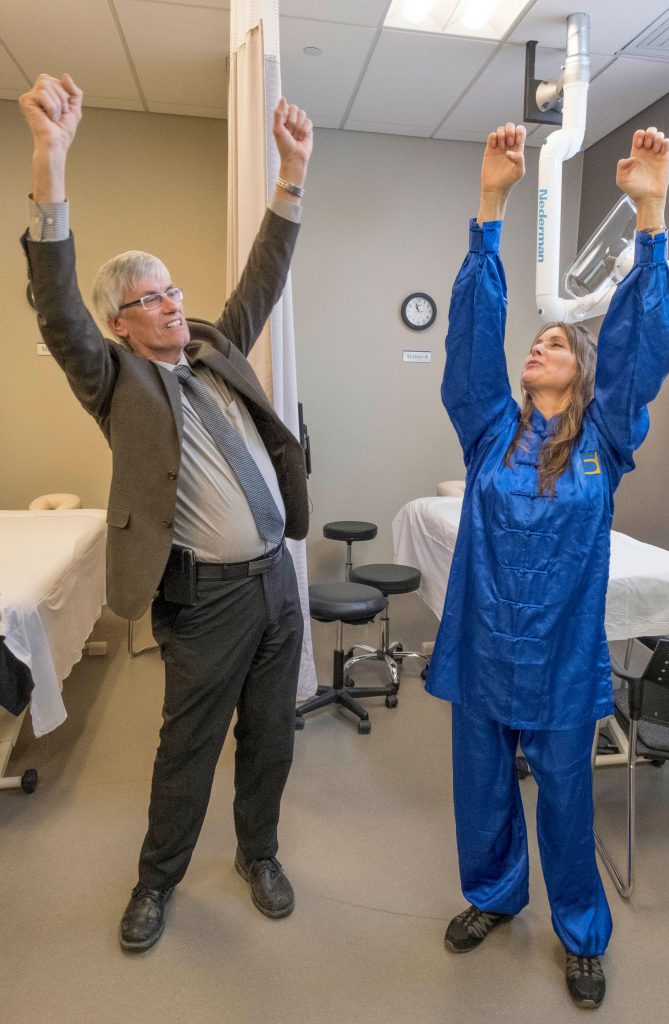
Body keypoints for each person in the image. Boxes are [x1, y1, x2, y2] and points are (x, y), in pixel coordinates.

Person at [19, 73, 313, 952]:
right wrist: (51, 158)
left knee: (270, 735)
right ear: (121, 323)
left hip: (275, 582)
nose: (171, 302)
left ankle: (258, 853)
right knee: (187, 747)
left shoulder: (218, 349)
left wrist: (290, 175)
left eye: (172, 288)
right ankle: (156, 881)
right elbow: (60, 307)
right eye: (149, 297)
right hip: (205, 598)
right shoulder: (116, 380)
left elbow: (265, 272)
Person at [426, 122, 669, 1008]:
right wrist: (489, 207)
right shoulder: (490, 426)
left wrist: (650, 215)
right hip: (487, 644)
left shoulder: (605, 439)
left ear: (580, 371)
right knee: (483, 786)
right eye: (536, 341)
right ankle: (492, 896)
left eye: (559, 343)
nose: (540, 346)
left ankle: (579, 932)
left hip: (565, 657)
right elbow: (469, 344)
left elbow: (639, 359)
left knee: (567, 802)